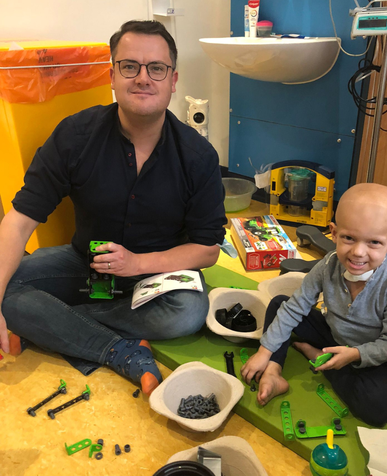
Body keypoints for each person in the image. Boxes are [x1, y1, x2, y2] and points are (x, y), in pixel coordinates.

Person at [0, 20, 226, 396]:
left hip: (157, 276)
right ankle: (118, 349)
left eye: (156, 68)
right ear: (112, 75)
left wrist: (137, 264)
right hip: (87, 265)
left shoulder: (198, 156)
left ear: (172, 80)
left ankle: (60, 325)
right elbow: (20, 219)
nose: (142, 78)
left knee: (188, 312)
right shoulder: (75, 135)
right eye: (129, 66)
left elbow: (207, 250)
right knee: (7, 284)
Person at [240, 183, 387, 427]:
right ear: (333, 232)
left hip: (372, 351)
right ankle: (274, 372)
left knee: (377, 409)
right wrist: (265, 353)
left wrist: (354, 355)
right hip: (333, 335)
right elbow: (295, 307)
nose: (358, 252)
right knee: (280, 304)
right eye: (349, 238)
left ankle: (320, 358)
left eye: (374, 242)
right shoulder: (328, 265)